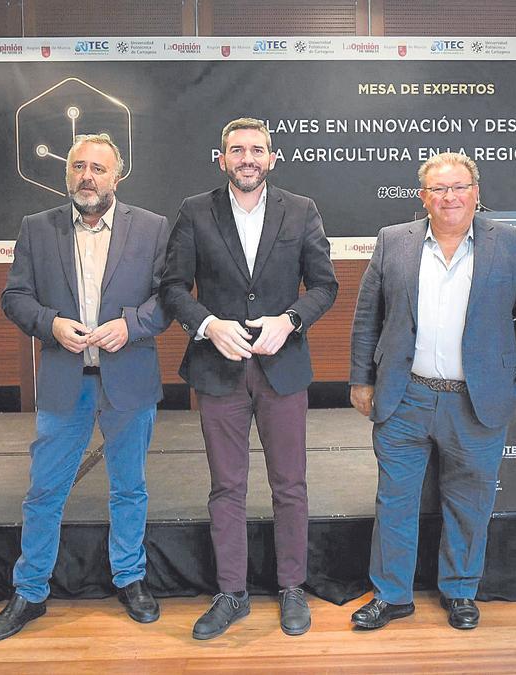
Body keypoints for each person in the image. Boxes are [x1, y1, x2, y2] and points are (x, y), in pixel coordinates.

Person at [348, 152, 516, 631]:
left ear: (476, 192)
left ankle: (460, 591)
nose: (449, 197)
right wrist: (360, 378)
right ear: (424, 197)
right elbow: (367, 316)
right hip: (404, 396)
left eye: (459, 187)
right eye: (438, 189)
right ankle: (392, 595)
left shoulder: (512, 244)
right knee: (394, 501)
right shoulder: (393, 241)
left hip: (477, 399)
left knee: (469, 501)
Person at [0, 133, 172, 641]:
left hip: (127, 380)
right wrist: (51, 324)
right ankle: (30, 591)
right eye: (78, 167)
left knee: (129, 488)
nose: (87, 177)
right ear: (67, 173)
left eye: (98, 168)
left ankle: (130, 579)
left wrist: (131, 325)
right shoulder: (36, 229)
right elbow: (14, 297)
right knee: (44, 491)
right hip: (66, 382)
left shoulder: (153, 229)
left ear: (117, 174)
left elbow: (170, 298)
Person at [161, 117, 338, 640]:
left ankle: (291, 588)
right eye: (237, 150)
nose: (247, 158)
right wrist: (207, 325)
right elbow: (172, 287)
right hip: (218, 371)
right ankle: (231, 593)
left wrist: (291, 320)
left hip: (283, 369)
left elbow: (324, 286)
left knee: (290, 485)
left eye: (257, 149)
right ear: (222, 159)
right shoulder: (195, 211)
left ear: (272, 158)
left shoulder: (301, 210)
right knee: (226, 487)